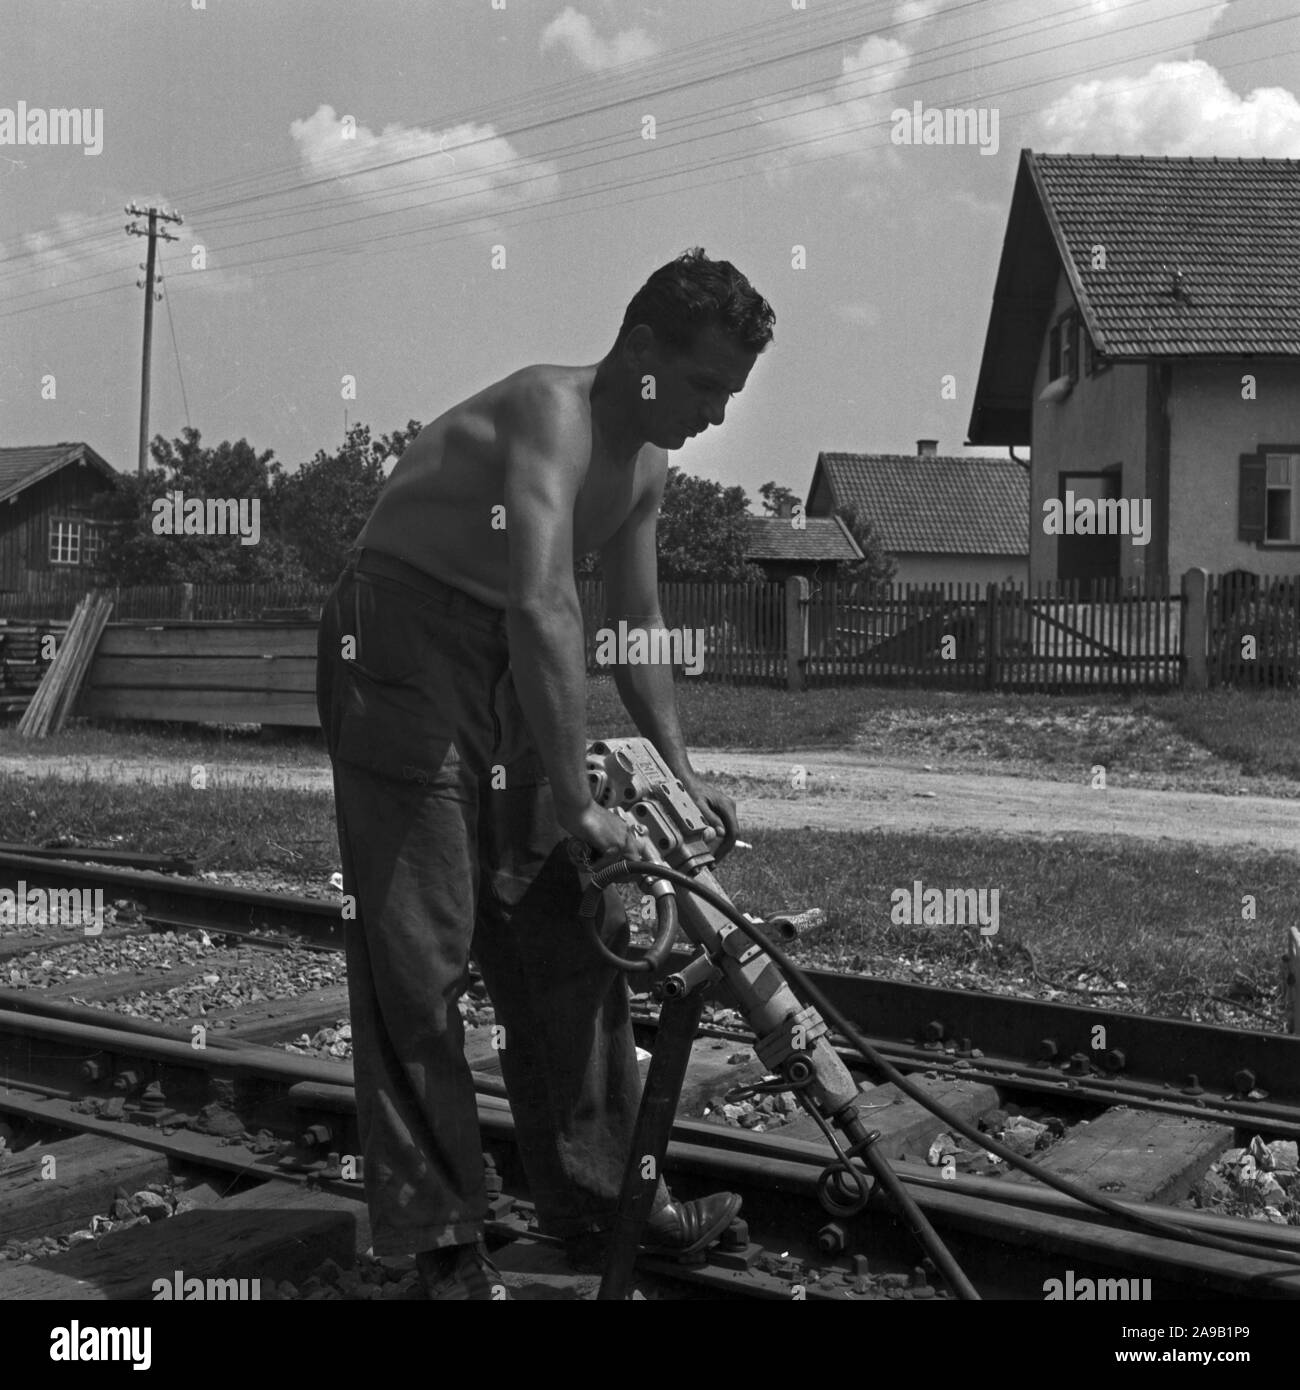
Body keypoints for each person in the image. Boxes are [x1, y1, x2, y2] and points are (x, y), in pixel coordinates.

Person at [315, 247, 775, 1300]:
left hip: (504, 657)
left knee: (564, 925)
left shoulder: (647, 463)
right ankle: (433, 1244)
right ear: (642, 347)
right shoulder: (547, 415)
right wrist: (575, 798)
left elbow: (635, 621)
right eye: (704, 383)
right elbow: (542, 605)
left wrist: (677, 772)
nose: (714, 411)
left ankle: (603, 1200)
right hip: (400, 641)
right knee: (417, 946)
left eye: (731, 394)